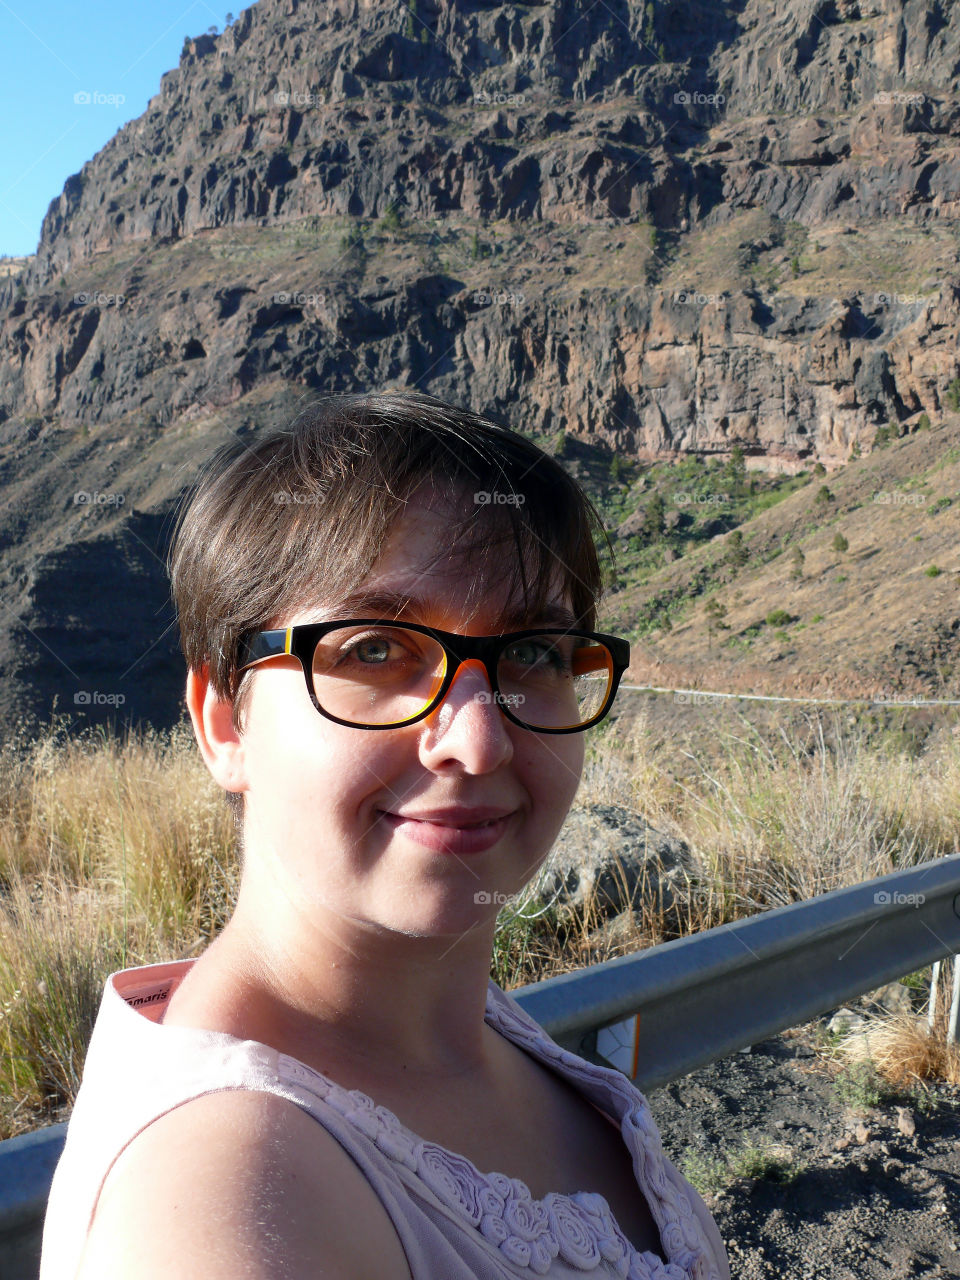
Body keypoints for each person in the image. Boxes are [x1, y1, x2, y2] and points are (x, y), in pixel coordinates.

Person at [40, 391, 730, 1280]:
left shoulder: (476, 1027)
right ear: (225, 723)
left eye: (535, 654)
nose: (478, 741)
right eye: (374, 650)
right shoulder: (222, 1199)